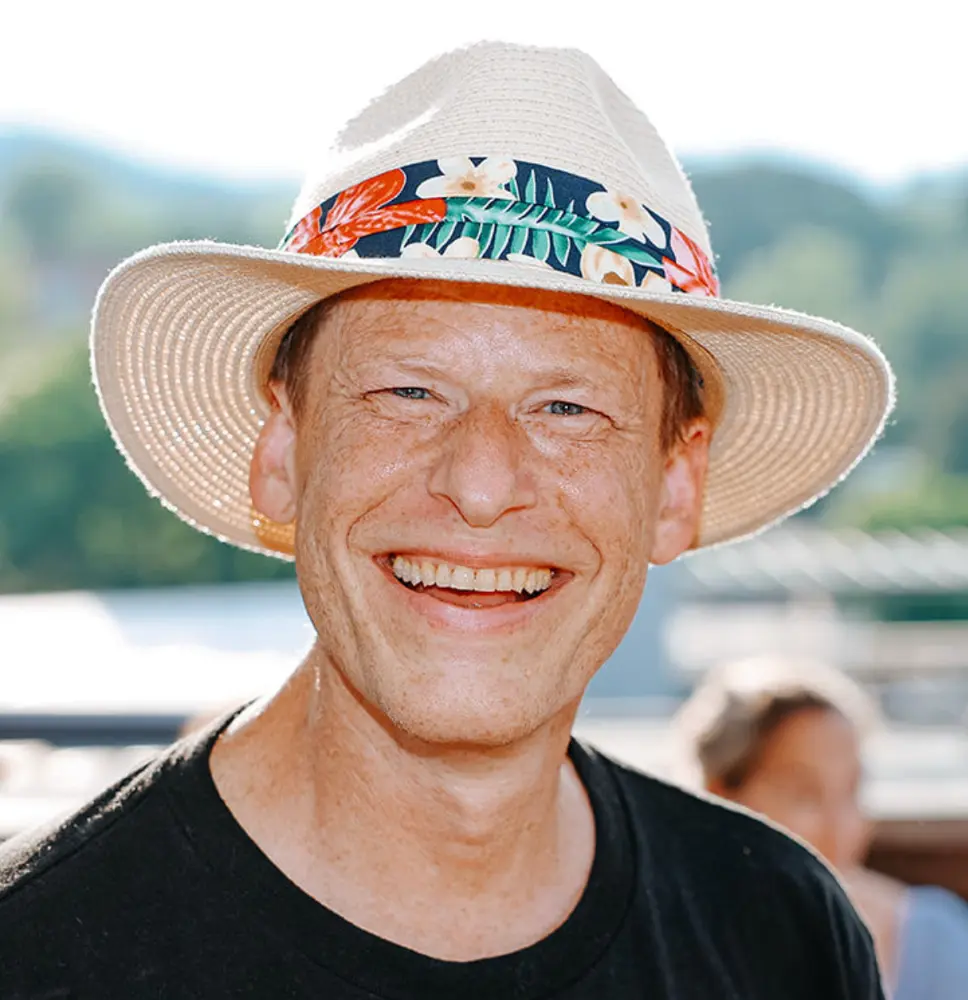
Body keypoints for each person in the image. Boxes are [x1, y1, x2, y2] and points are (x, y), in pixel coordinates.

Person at [0, 42, 895, 998]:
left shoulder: (779, 935)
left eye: (568, 409)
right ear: (283, 454)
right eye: (409, 391)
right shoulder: (38, 948)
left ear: (675, 488)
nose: (479, 483)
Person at [674, 656, 968, 999]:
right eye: (804, 794)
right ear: (718, 794)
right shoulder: (671, 939)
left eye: (851, 790)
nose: (838, 825)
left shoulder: (932, 937)